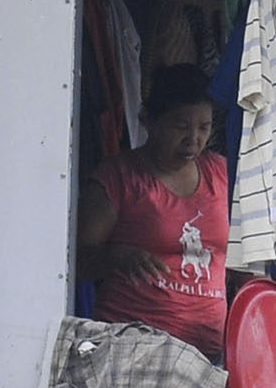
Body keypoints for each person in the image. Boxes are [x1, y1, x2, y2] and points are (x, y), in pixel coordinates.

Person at [77, 65, 237, 360]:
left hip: (206, 355)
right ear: (150, 121)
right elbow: (79, 262)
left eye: (204, 127)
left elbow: (245, 263)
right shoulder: (118, 178)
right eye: (180, 126)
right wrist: (117, 256)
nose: (193, 139)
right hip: (132, 349)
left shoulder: (223, 174)